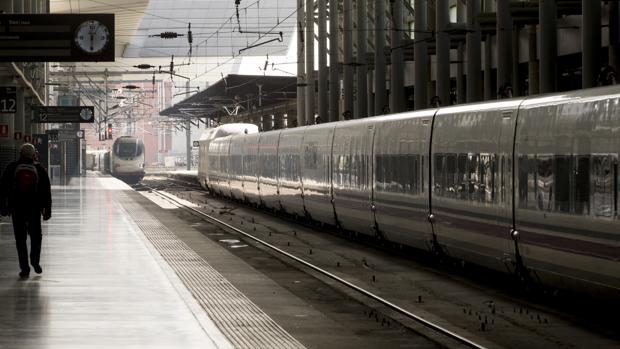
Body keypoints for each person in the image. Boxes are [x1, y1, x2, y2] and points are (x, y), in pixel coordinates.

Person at [0, 143, 52, 278]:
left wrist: (3, 207)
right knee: (36, 237)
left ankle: (24, 268)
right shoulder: (39, 169)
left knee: (20, 239)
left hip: (17, 208)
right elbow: (46, 191)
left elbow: (3, 189)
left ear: (20, 154)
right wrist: (47, 210)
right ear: (34, 155)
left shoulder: (12, 167)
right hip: (34, 208)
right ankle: (35, 261)